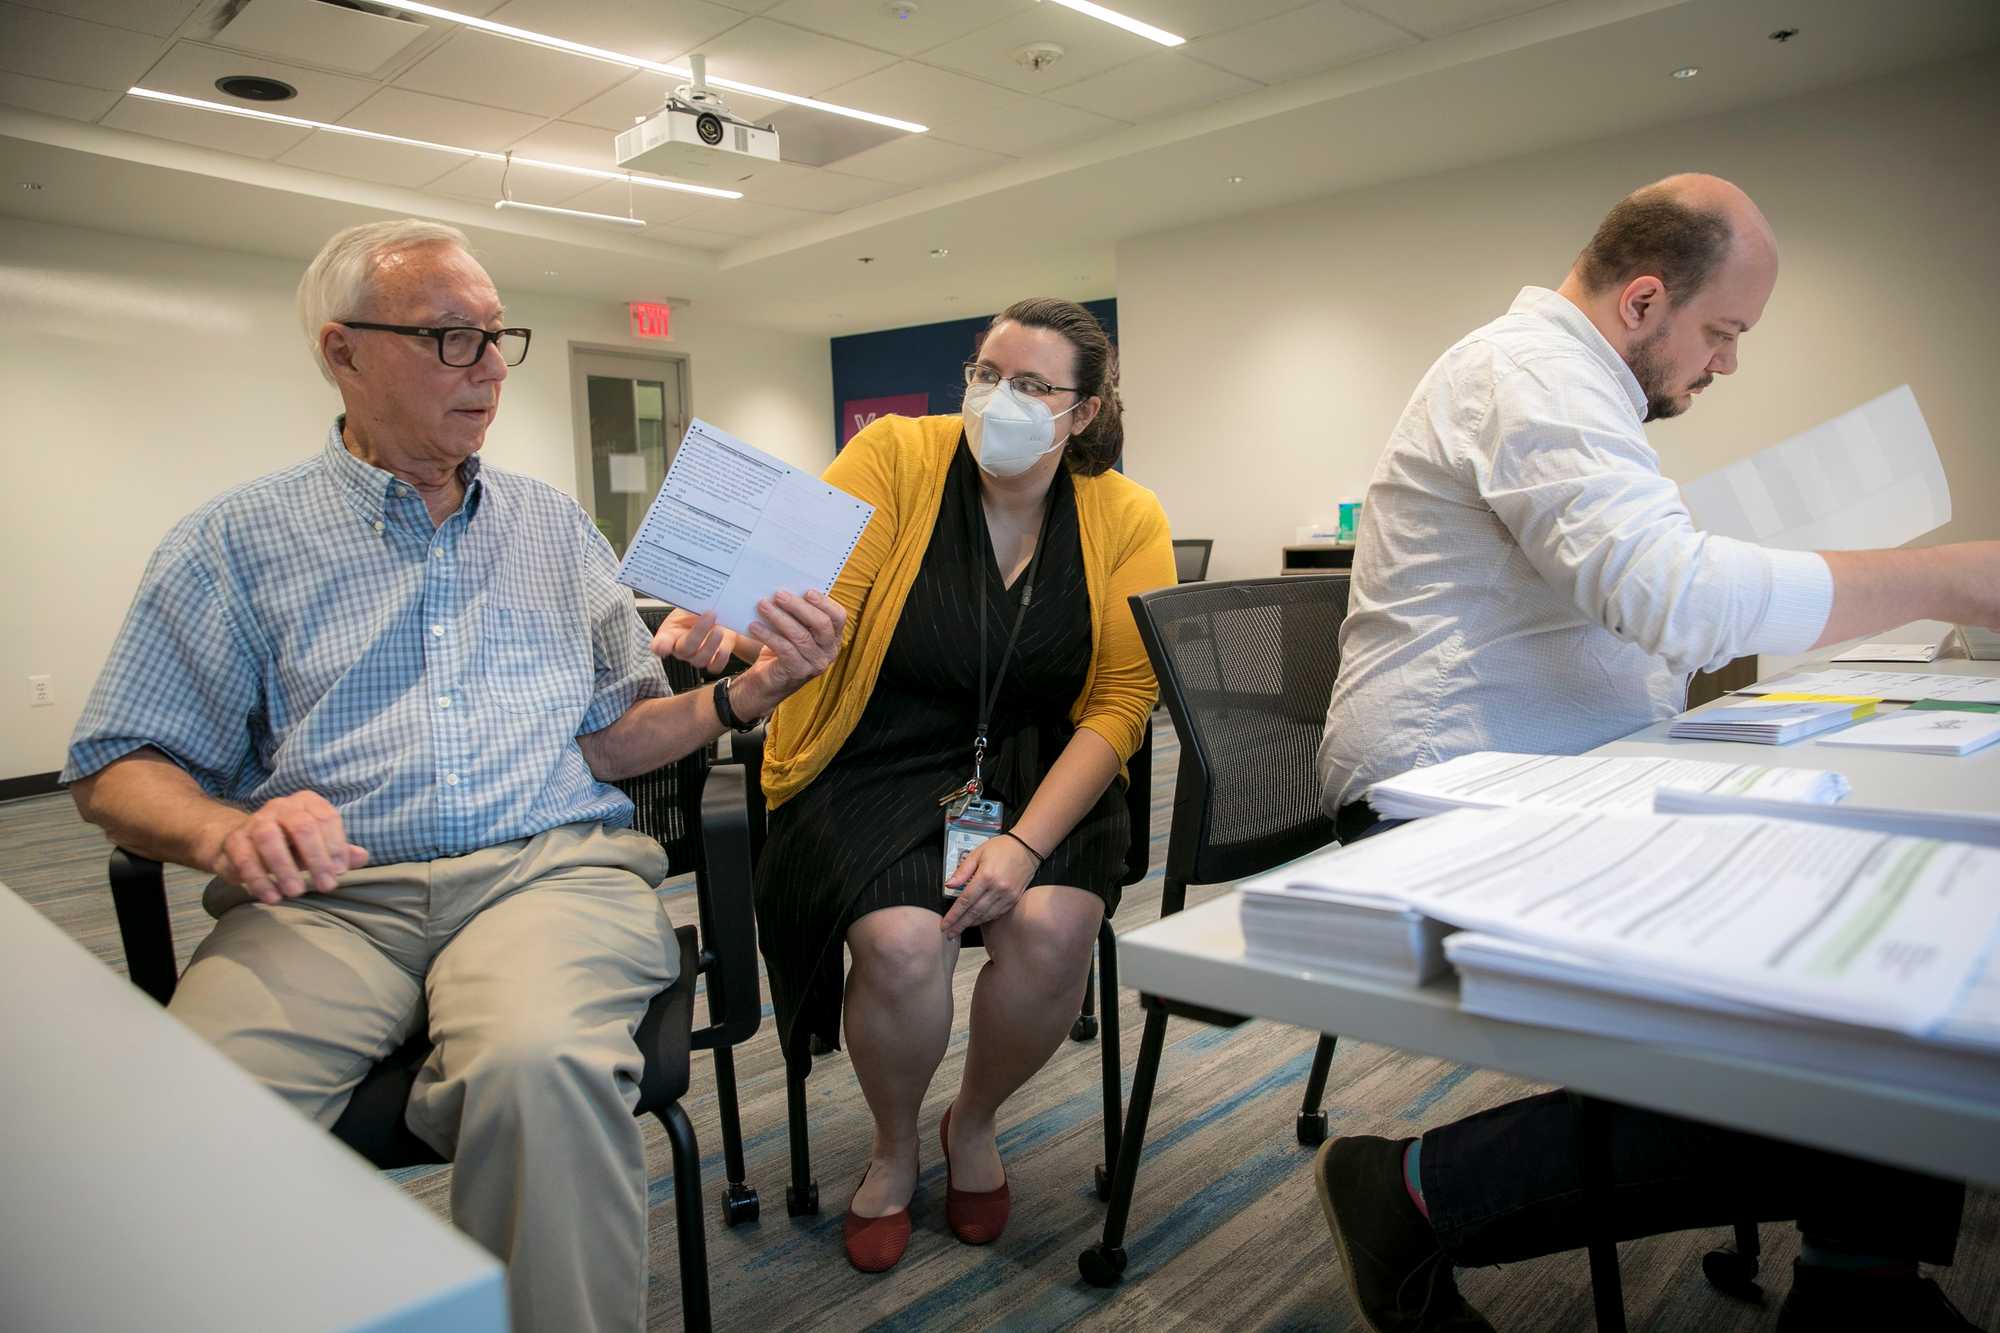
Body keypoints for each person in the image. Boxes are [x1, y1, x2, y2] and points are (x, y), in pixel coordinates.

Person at [63, 219, 844, 1333]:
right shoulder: (233, 542)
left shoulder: (550, 527)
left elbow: (612, 739)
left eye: (495, 336)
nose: (487, 366)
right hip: (328, 901)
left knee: (536, 1069)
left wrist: (743, 698)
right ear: (342, 352)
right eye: (448, 338)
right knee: (198, 1116)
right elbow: (115, 764)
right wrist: (216, 832)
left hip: (548, 875)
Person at [1314, 175, 1999, 1331]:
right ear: (1643, 300)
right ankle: (1410, 1191)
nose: (1724, 364)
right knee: (1825, 990)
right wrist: (1949, 574)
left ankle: (1858, 1278)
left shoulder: (1578, 393)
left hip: (1573, 774)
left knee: (1879, 922)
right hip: (1442, 791)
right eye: (1721, 331)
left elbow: (1643, 590)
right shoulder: (1523, 375)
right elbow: (1666, 595)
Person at [666, 298, 1174, 1272]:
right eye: (986, 374)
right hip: (875, 749)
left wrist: (1023, 843)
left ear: (1081, 411)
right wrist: (727, 633)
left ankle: (972, 1121)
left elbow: (1118, 700)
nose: (998, 399)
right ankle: (894, 1144)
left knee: (1052, 924)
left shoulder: (1124, 514)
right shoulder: (896, 456)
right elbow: (809, 597)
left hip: (1038, 764)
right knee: (902, 944)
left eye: (1031, 385)